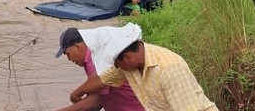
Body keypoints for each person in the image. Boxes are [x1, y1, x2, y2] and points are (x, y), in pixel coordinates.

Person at [69, 23, 218, 111]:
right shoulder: (129, 66)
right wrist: (77, 92)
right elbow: (103, 80)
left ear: (127, 58)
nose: (115, 68)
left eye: (116, 64)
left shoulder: (169, 69)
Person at [55, 27, 144, 111]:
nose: (69, 59)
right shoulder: (91, 59)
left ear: (77, 47)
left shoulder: (94, 60)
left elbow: (95, 100)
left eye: (67, 54)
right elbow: (99, 102)